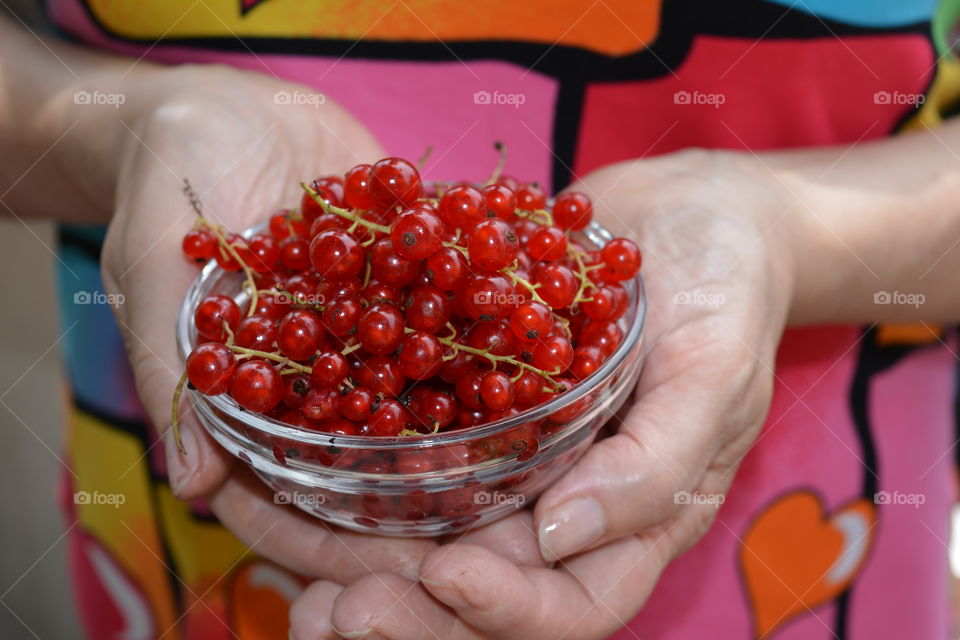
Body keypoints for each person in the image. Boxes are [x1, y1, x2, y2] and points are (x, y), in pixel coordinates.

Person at [2, 0, 959, 638]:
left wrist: (789, 234)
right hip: (206, 555)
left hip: (808, 526)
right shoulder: (296, 321)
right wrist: (128, 123)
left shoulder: (542, 302)